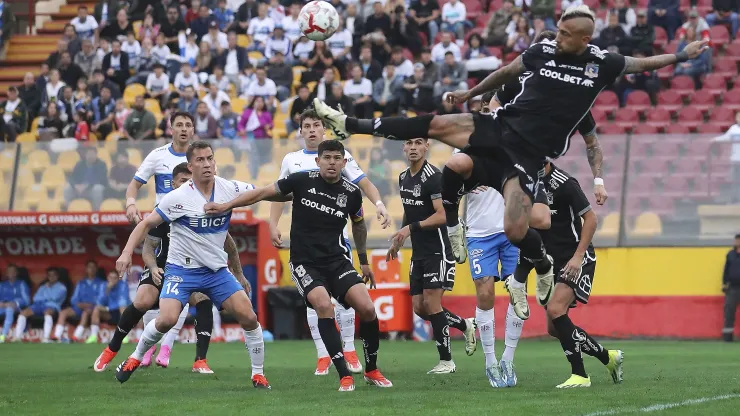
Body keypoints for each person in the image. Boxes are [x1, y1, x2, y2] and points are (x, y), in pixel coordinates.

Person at [311, 5, 709, 315]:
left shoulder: (601, 63)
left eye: (566, 34)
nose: (558, 37)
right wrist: (469, 96)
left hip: (528, 156)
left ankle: (540, 264)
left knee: (516, 229)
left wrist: (681, 55)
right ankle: (351, 123)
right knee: (439, 133)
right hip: (500, 128)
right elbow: (505, 71)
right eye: (558, 30)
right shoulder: (542, 50)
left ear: (584, 38)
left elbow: (643, 64)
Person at [206, 139, 392, 392]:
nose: (332, 163)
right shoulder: (301, 181)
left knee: (368, 308)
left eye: (337, 158)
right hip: (305, 262)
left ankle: (371, 370)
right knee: (324, 305)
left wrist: (363, 261)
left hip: (337, 261)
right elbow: (262, 193)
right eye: (327, 158)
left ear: (344, 162)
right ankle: (344, 375)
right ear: (318, 161)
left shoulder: (351, 193)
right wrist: (226, 205)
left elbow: (358, 225)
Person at [113, 141, 272, 389]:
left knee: (249, 316)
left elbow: (263, 192)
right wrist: (125, 253)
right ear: (190, 165)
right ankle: (135, 357)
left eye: (210, 158)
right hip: (181, 271)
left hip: (216, 272)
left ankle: (258, 374)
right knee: (166, 319)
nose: (207, 164)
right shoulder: (176, 198)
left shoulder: (229, 188)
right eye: (200, 160)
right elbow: (144, 225)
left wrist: (295, 189)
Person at [95, 115, 245, 373]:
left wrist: (239, 272)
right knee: (143, 301)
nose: (184, 129)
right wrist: (131, 203)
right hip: (165, 230)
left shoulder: (201, 159)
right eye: (180, 125)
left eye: (189, 125)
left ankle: (200, 360)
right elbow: (134, 188)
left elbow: (229, 241)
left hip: (195, 233)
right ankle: (112, 348)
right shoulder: (157, 156)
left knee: (201, 297)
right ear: (171, 129)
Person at [269, 109, 390, 376]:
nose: (311, 130)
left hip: (337, 242)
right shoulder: (292, 161)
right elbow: (279, 192)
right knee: (317, 301)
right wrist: (272, 224)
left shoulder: (340, 157)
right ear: (300, 131)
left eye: (316, 125)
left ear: (325, 130)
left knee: (348, 300)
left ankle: (349, 349)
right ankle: (324, 354)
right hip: (306, 244)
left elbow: (363, 183)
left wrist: (379, 204)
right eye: (306, 126)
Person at [519, 161, 623, 388]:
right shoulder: (527, 183)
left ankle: (580, 375)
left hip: (576, 257)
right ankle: (608, 357)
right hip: (551, 262)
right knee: (554, 328)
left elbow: (591, 219)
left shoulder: (565, 183)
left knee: (556, 309)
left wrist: (577, 257)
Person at [387, 137, 476, 374]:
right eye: (409, 143)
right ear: (404, 147)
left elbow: (443, 215)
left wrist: (411, 228)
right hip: (419, 251)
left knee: (432, 303)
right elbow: (409, 212)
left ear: (427, 146)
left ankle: (447, 361)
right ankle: (464, 324)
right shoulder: (403, 177)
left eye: (419, 143)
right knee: (420, 308)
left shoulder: (434, 177)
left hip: (439, 249)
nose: (413, 147)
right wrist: (400, 238)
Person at [53, 260, 104, 342]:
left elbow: (101, 299)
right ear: (86, 269)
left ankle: (75, 337)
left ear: (96, 269)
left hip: (91, 308)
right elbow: (74, 299)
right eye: (89, 267)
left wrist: (89, 305)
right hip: (79, 307)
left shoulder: (101, 283)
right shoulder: (81, 283)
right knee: (63, 312)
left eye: (93, 267)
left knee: (85, 313)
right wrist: (79, 304)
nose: (91, 269)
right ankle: (56, 336)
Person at [15, 267, 67, 343]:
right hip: (38, 305)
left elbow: (54, 298)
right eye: (49, 275)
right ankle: (17, 337)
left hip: (52, 306)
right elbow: (36, 298)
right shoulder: (43, 286)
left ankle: (46, 338)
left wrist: (45, 293)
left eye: (53, 275)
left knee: (47, 312)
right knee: (23, 313)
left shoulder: (62, 287)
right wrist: (46, 295)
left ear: (57, 276)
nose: (51, 277)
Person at [87, 270, 130, 343]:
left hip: (120, 313)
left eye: (115, 278)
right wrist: (107, 290)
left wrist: (108, 308)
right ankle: (93, 336)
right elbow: (99, 302)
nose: (112, 280)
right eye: (111, 278)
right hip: (109, 314)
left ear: (118, 279)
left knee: (122, 308)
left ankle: (125, 336)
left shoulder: (123, 285)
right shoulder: (103, 285)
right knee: (96, 309)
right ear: (108, 278)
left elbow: (122, 302)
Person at [0, 264, 30, 343]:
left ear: (16, 273)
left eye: (12, 272)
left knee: (9, 309)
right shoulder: (2, 285)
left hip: (15, 307)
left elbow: (27, 300)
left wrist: (15, 303)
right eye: (9, 272)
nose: (10, 273)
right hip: (2, 306)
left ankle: (3, 336)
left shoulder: (21, 284)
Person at [722, 234, 740, 342]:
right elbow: (726, 270)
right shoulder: (730, 254)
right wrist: (724, 283)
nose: (737, 242)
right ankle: (728, 338)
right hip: (733, 288)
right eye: (737, 240)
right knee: (729, 312)